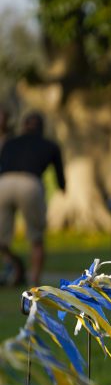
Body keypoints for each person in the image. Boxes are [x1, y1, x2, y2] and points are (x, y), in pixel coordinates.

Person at [0, 112, 65, 286]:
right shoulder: (50, 145)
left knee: (2, 238)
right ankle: (34, 280)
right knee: (36, 238)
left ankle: (14, 267)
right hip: (30, 183)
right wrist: (62, 187)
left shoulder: (11, 142)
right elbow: (60, 176)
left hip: (4, 183)